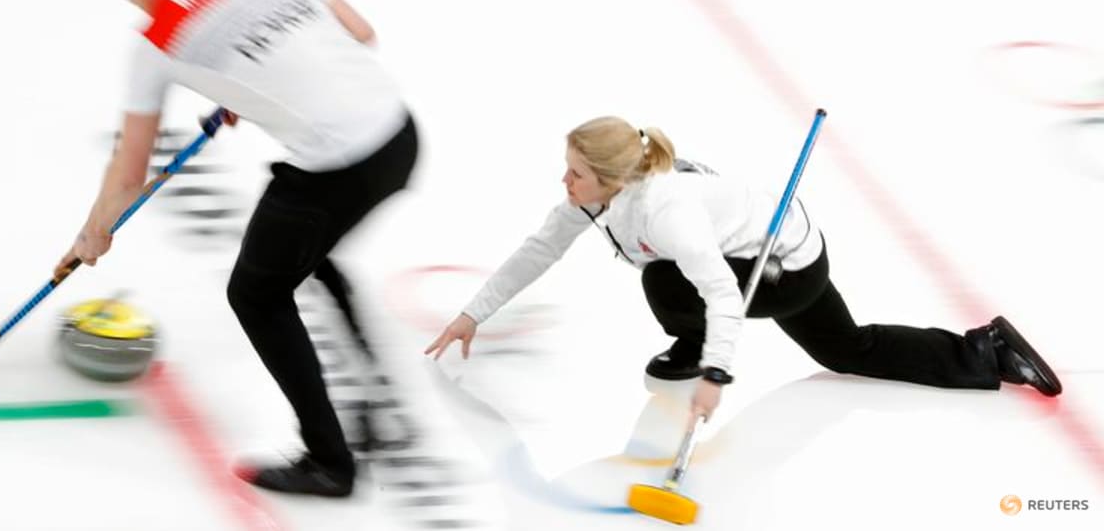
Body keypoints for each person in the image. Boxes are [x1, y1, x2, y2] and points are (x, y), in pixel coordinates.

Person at [56, 0, 418, 497]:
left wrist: (94, 232)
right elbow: (359, 32)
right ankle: (370, 388)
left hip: (337, 166)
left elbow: (130, 169)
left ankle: (330, 462)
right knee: (308, 255)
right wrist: (251, 81)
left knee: (256, 294)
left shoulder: (157, 37)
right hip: (399, 137)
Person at [425, 116, 1061, 423]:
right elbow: (538, 249)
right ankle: (984, 352)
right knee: (846, 350)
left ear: (613, 180)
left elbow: (723, 294)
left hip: (783, 266)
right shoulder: (599, 198)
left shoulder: (665, 211)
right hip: (769, 243)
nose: (563, 181)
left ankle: (695, 343)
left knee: (663, 277)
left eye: (576, 173)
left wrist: (715, 372)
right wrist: (470, 313)